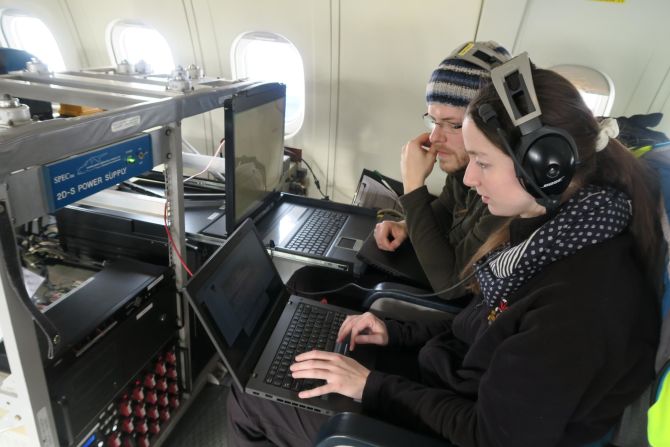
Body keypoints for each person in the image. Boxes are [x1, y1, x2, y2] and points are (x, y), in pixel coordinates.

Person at [227, 57, 664, 446]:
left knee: (248, 398)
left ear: (544, 167)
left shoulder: (581, 304)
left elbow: (488, 433)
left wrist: (370, 386)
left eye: (484, 162)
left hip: (460, 422)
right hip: (450, 381)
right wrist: (394, 332)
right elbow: (483, 328)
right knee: (291, 365)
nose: (470, 178)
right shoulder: (557, 231)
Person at [374, 41, 510, 300]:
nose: (435, 137)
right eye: (433, 121)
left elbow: (450, 286)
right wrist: (406, 225)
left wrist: (413, 187)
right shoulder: (463, 169)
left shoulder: (505, 194)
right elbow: (446, 209)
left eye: (453, 125)